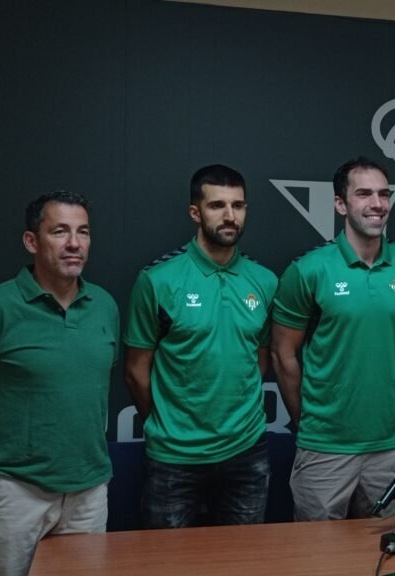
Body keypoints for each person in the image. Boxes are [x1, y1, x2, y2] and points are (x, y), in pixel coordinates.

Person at [0, 190, 118, 576]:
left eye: (83, 232)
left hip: (88, 493)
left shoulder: (105, 305)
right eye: (60, 232)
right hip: (16, 494)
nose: (73, 243)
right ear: (32, 241)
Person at [271, 157, 395, 521]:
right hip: (325, 448)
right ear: (341, 204)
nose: (377, 203)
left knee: (390, 555)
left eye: (384, 194)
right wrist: (309, 420)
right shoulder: (309, 269)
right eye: (364, 194)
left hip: (391, 446)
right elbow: (283, 355)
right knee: (319, 561)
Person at [123, 164, 277, 528]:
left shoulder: (265, 280)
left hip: (246, 452)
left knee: (244, 560)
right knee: (167, 564)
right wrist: (167, 424)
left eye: (238, 206)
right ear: (195, 212)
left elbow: (260, 356)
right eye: (217, 205)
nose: (229, 216)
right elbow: (135, 369)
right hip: (174, 457)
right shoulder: (158, 280)